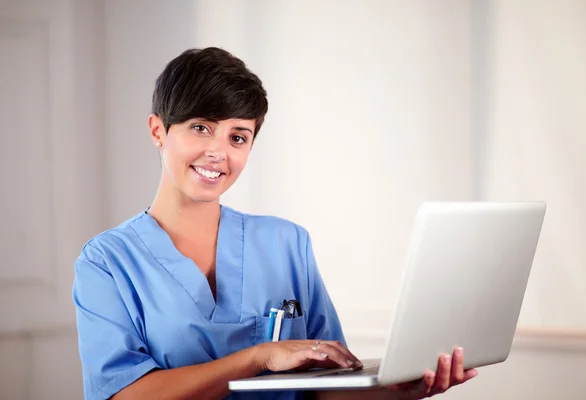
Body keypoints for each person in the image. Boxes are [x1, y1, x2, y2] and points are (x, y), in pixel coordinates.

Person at [72, 47, 477, 400]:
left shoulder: (287, 243)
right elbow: (123, 395)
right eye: (201, 128)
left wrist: (401, 392)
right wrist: (257, 357)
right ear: (158, 130)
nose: (218, 152)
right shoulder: (106, 263)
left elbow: (325, 387)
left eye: (238, 137)